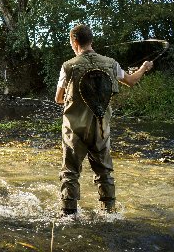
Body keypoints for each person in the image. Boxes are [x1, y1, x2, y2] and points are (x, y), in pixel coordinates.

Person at [55, 24, 153, 215]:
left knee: (70, 174)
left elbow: (58, 99)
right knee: (104, 174)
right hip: (100, 129)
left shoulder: (68, 66)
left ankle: (68, 216)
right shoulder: (110, 63)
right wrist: (144, 68)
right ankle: (109, 213)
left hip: (74, 131)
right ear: (91, 40)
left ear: (74, 42)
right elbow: (132, 81)